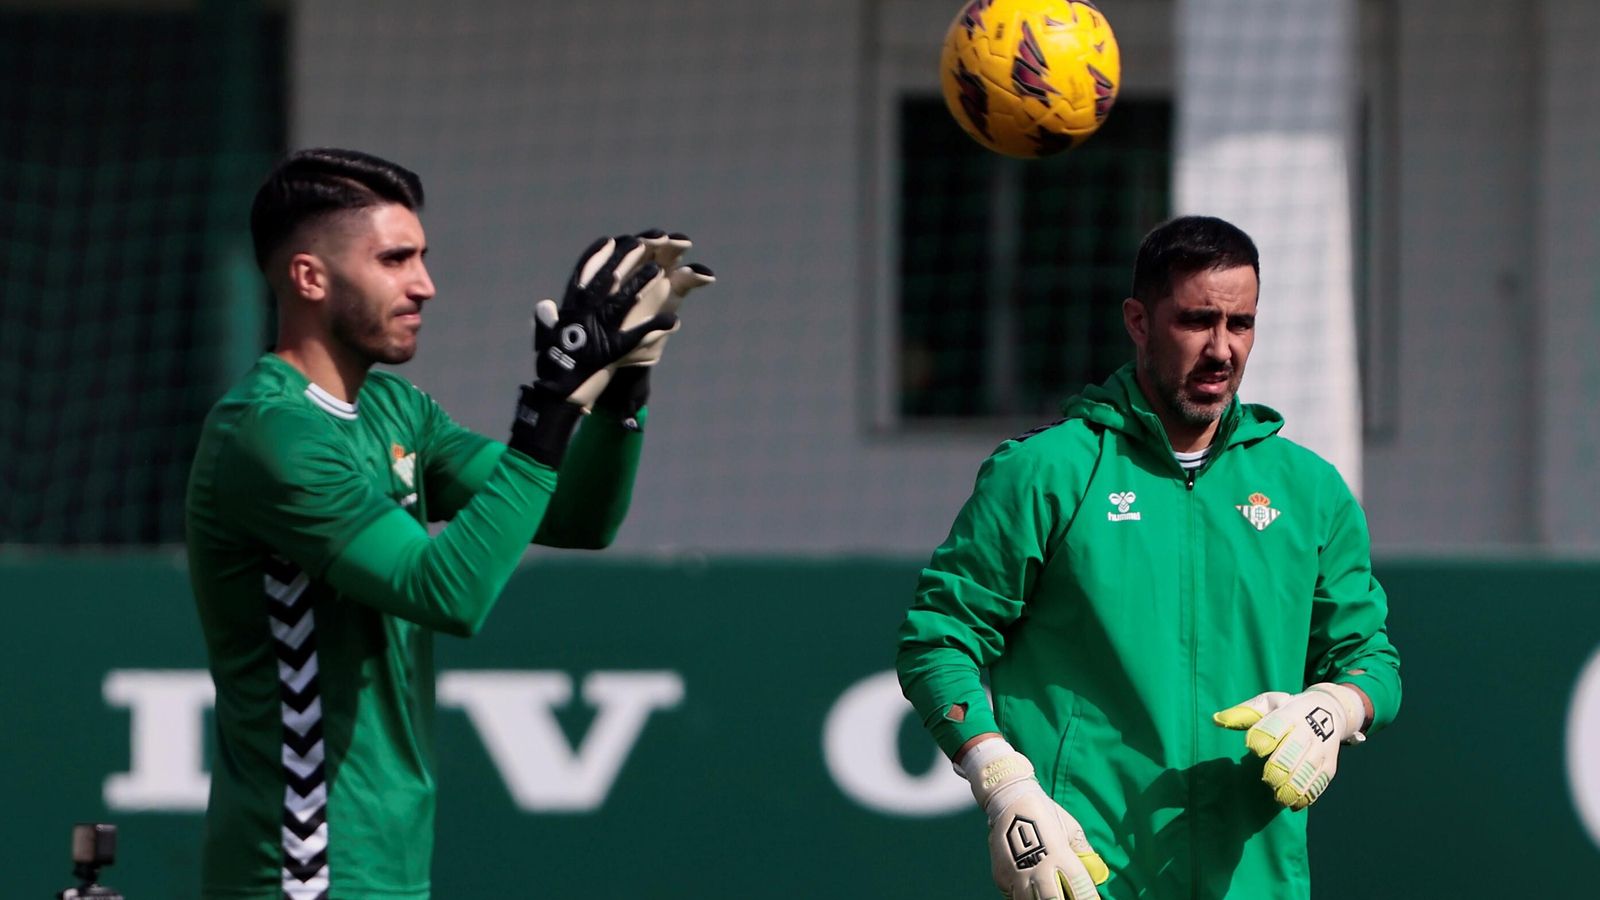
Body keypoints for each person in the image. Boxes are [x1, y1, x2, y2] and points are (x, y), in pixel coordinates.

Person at [184, 147, 712, 899]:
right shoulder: (268, 435)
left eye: (421, 258)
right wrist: (548, 414)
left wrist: (619, 391)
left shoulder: (397, 410)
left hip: (384, 865)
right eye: (395, 260)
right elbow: (444, 593)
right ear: (309, 277)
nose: (424, 285)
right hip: (306, 866)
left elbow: (576, 516)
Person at [895, 215, 1400, 900]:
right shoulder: (1045, 472)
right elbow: (938, 641)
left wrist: (1335, 709)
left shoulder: (1309, 490)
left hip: (1256, 886)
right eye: (1197, 321)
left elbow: (1370, 659)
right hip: (1086, 877)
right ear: (1138, 321)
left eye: (1241, 324)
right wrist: (1002, 784)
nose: (1222, 349)